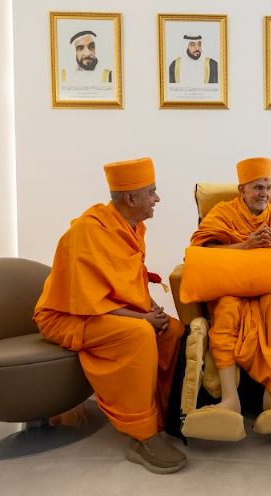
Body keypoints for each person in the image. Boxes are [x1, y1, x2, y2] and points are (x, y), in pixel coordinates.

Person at [34, 157, 187, 474]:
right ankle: (141, 434)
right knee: (141, 333)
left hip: (104, 310)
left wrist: (149, 309)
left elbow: (124, 281)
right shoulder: (87, 232)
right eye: (152, 193)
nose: (157, 199)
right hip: (67, 316)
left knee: (172, 330)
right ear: (131, 198)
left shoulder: (134, 227)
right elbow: (87, 299)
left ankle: (167, 415)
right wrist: (142, 319)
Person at [182, 157, 271, 440]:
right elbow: (200, 251)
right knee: (228, 310)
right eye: (257, 187)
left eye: (267, 187)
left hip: (267, 290)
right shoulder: (222, 213)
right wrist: (246, 246)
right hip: (230, 291)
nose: (264, 193)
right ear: (241, 190)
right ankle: (231, 399)